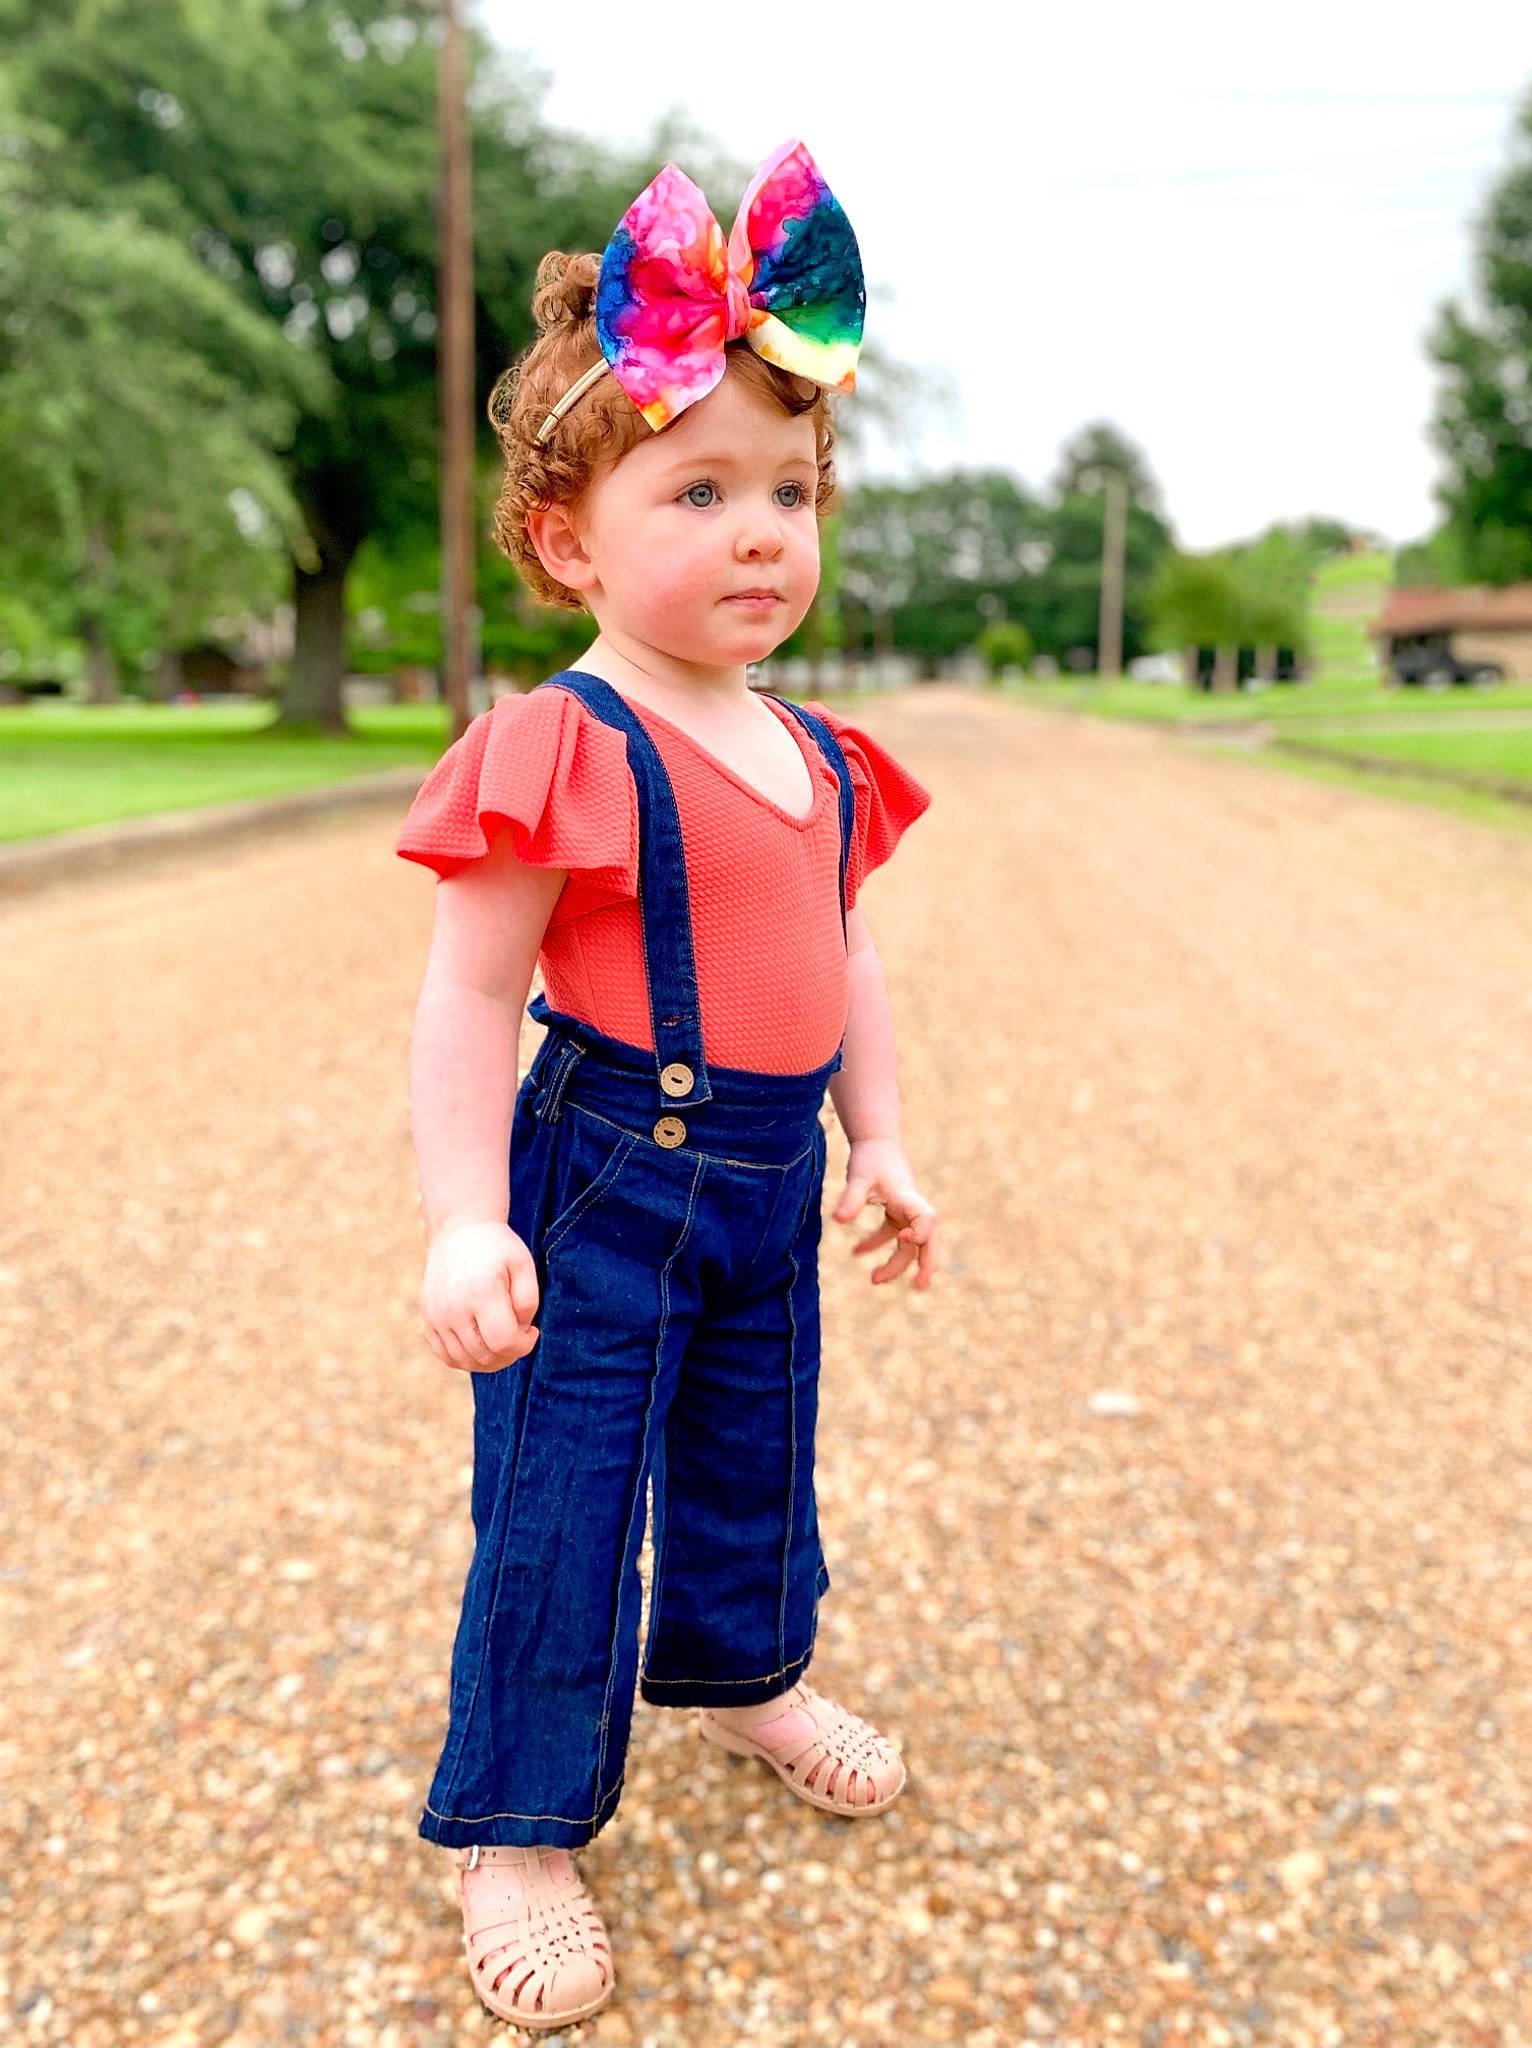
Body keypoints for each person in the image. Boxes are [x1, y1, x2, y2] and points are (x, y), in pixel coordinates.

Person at [394, 140, 941, 2032]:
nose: (760, 533)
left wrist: (883, 1138)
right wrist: (468, 1214)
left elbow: (844, 945)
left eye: (787, 491)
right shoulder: (567, 739)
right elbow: (471, 994)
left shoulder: (816, 750)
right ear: (568, 539)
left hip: (772, 1178)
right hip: (610, 1168)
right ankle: (521, 1819)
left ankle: (744, 1667)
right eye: (696, 489)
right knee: (564, 1487)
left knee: (749, 1447)